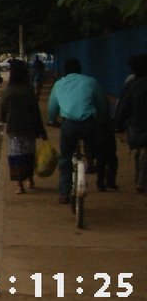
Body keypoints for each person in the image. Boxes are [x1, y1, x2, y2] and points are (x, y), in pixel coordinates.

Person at [47, 58, 108, 204]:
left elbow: (52, 108)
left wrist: (52, 120)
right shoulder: (90, 82)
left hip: (68, 126)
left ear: (64, 70)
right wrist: (101, 118)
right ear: (80, 69)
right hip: (89, 124)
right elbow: (102, 104)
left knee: (66, 158)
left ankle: (63, 193)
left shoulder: (59, 84)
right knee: (99, 152)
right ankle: (100, 181)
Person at [0, 61, 48, 194]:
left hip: (14, 128)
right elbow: (36, 112)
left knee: (16, 156)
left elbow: (3, 111)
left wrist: (5, 120)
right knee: (29, 155)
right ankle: (30, 180)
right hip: (29, 128)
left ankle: (19, 184)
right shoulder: (28, 91)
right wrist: (42, 131)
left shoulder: (8, 91)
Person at [114, 53, 147, 194]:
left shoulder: (131, 84)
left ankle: (140, 180)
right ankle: (142, 181)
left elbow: (123, 107)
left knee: (140, 152)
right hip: (140, 126)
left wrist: (118, 125)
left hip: (137, 126)